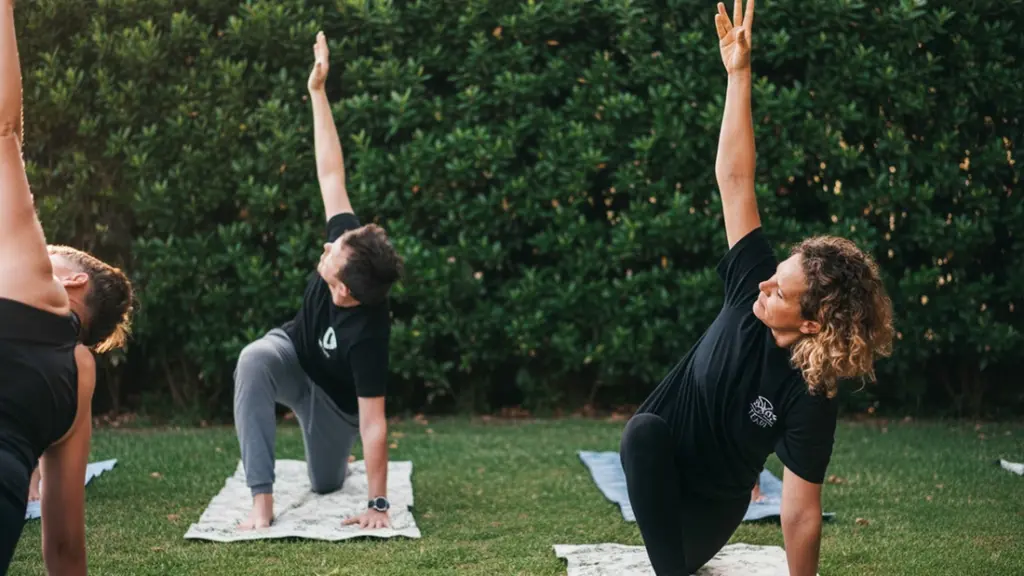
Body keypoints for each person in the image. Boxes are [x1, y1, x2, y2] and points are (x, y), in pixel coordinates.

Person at [618, 1, 894, 575]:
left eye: (780, 291)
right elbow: (735, 178)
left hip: (709, 513)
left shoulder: (812, 391)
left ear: (812, 323)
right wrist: (738, 74)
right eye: (774, 274)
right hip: (660, 465)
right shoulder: (751, 282)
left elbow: (801, 512)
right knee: (641, 432)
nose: (764, 284)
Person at [233, 31, 404, 532]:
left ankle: (335, 457)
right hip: (293, 355)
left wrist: (377, 504)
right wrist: (317, 92)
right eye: (336, 242)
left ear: (345, 290)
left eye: (333, 254)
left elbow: (374, 422)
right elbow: (331, 174)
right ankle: (260, 500)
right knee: (253, 358)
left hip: (333, 403)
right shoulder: (347, 242)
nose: (327, 247)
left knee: (325, 482)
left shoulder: (369, 336)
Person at [0, 1, 135, 572]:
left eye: (53, 251)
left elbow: (4, 129)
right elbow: (63, 548)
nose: (40, 249)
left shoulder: (40, 287)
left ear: (72, 279)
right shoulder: (81, 377)